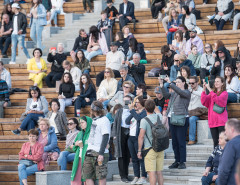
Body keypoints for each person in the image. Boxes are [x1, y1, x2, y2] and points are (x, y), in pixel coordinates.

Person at [160, 76, 191, 169]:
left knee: (181, 141)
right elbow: (166, 95)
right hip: (171, 118)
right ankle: (177, 160)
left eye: (178, 82)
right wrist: (162, 85)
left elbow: (180, 92)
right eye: (176, 82)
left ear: (184, 83)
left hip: (181, 118)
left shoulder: (186, 92)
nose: (176, 83)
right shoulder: (174, 92)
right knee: (174, 142)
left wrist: (171, 83)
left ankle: (182, 161)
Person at [82, 101, 111, 185]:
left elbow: (105, 136)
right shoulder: (91, 120)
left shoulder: (104, 120)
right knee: (88, 177)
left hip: (99, 152)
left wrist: (101, 153)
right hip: (89, 151)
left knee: (101, 177)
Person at [138, 99, 164, 185]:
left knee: (151, 173)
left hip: (149, 149)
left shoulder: (144, 120)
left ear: (145, 108)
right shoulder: (159, 117)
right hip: (160, 148)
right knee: (159, 172)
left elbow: (141, 136)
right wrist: (153, 105)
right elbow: (157, 110)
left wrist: (139, 150)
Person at [125, 96, 148, 184]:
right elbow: (127, 121)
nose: (136, 104)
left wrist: (132, 111)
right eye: (135, 102)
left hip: (139, 138)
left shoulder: (144, 113)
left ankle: (143, 176)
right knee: (134, 158)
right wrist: (133, 111)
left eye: (138, 102)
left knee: (141, 158)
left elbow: (139, 118)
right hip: (131, 137)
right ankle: (136, 176)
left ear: (142, 103)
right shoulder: (134, 112)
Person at [201, 76, 228, 148]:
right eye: (215, 81)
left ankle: (224, 159)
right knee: (215, 143)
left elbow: (218, 100)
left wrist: (209, 89)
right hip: (212, 121)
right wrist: (204, 89)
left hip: (221, 122)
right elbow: (204, 101)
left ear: (222, 83)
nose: (216, 83)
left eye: (218, 81)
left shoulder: (225, 93)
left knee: (223, 143)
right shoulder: (212, 93)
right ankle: (216, 158)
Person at [112, 96, 132, 183]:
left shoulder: (133, 110)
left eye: (128, 100)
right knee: (121, 155)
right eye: (124, 101)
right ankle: (123, 175)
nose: (126, 102)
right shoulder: (120, 111)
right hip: (121, 132)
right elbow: (115, 124)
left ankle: (126, 174)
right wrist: (114, 135)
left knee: (128, 155)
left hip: (131, 132)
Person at [71, 116, 92, 185]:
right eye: (80, 123)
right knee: (76, 176)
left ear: (88, 123)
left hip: (87, 159)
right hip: (79, 158)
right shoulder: (80, 133)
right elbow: (74, 148)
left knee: (87, 178)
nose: (81, 124)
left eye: (82, 122)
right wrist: (76, 144)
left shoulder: (91, 134)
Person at [218, 119, 240, 185]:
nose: (225, 132)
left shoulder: (231, 144)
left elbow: (224, 170)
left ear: (232, 129)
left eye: (226, 129)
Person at [188, 76, 205, 145]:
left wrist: (192, 92)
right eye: (190, 83)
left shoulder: (201, 90)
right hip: (189, 112)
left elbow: (202, 94)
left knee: (192, 119)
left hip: (199, 113)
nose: (191, 85)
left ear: (197, 83)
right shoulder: (189, 90)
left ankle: (192, 139)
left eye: (193, 83)